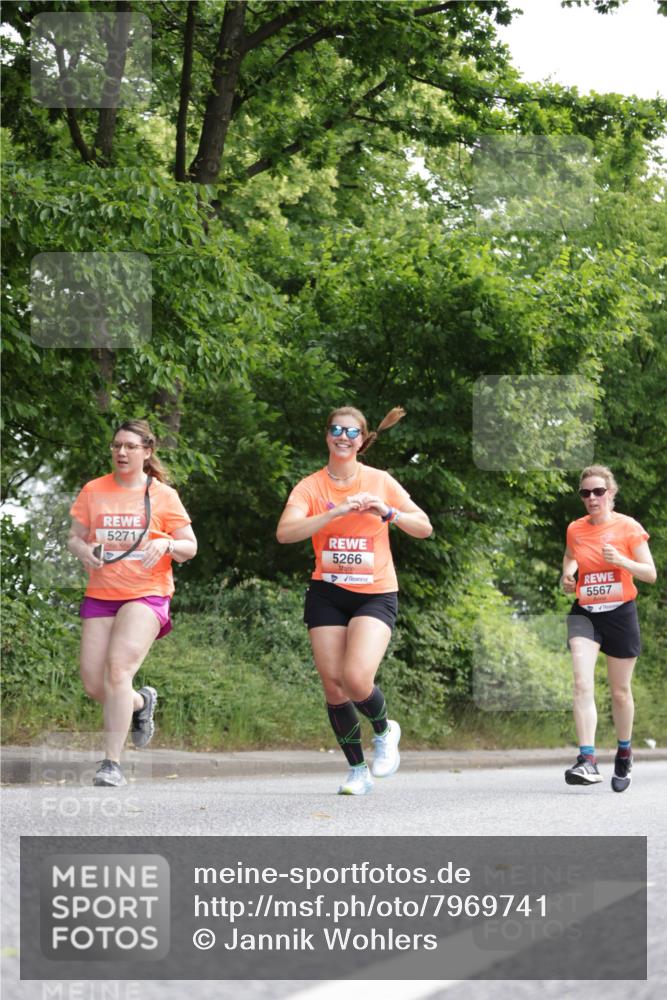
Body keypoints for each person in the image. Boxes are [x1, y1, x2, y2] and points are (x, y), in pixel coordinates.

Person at [276, 406, 432, 795]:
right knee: (333, 686)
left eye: (351, 432)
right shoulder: (311, 487)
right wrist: (336, 513)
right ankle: (357, 771)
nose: (343, 437)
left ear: (362, 440)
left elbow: (424, 527)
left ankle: (384, 730)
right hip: (327, 592)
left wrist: (389, 512)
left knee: (356, 678)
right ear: (327, 435)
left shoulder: (380, 481)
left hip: (375, 593)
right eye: (336, 430)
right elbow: (285, 532)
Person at [68, 419, 197, 787]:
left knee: (117, 671)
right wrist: (83, 550)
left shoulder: (164, 496)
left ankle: (111, 763)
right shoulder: (94, 490)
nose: (121, 452)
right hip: (101, 594)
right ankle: (141, 703)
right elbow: (73, 537)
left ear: (147, 452)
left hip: (147, 592)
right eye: (116, 446)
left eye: (129, 446)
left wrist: (168, 544)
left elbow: (190, 546)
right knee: (96, 685)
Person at [562, 465, 656, 792]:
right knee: (580, 681)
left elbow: (650, 573)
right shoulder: (575, 528)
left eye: (598, 491)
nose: (592, 498)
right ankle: (587, 759)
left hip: (620, 612)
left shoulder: (628, 527)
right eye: (585, 493)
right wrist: (568, 574)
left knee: (619, 692)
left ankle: (625, 750)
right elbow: (571, 555)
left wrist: (621, 561)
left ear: (611, 494)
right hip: (585, 613)